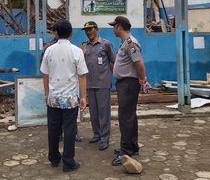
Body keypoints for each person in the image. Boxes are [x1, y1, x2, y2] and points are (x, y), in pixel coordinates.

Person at [41, 19, 88, 172]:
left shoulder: (49, 50)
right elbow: (82, 76)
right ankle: (68, 162)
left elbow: (45, 75)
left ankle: (54, 158)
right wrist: (83, 97)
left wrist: (47, 94)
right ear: (71, 33)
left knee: (53, 130)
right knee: (69, 130)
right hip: (70, 99)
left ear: (56, 33)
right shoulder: (77, 51)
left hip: (53, 99)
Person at [108, 16, 147, 166]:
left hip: (129, 84)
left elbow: (139, 64)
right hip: (126, 84)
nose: (113, 29)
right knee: (130, 116)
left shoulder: (131, 43)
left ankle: (125, 152)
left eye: (114, 26)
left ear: (119, 27)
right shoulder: (125, 42)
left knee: (125, 118)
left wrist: (142, 80)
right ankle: (132, 146)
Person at [81, 21, 115, 151]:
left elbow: (113, 61)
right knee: (93, 112)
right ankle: (97, 134)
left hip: (103, 84)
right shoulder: (84, 47)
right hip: (89, 84)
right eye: (86, 30)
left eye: (91, 29)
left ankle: (105, 138)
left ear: (97, 29)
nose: (88, 32)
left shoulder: (105, 44)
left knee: (104, 113)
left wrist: (113, 78)